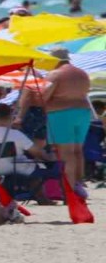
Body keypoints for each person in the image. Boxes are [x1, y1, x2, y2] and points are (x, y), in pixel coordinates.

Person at [39, 48, 95, 198]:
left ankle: (69, 190)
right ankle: (78, 184)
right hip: (83, 112)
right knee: (78, 151)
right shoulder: (82, 73)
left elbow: (44, 96)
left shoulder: (55, 74)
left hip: (61, 113)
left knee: (66, 153)